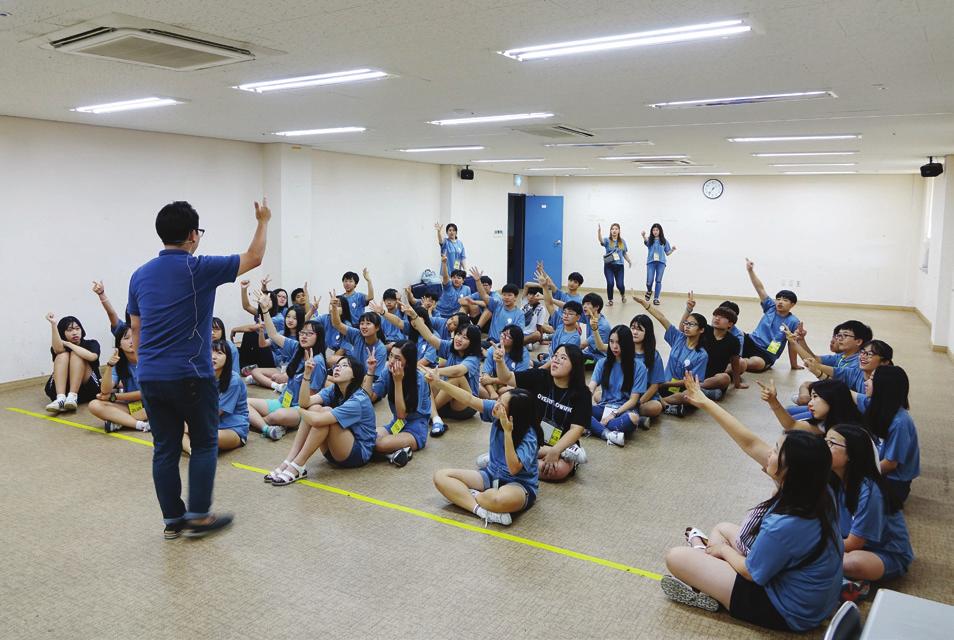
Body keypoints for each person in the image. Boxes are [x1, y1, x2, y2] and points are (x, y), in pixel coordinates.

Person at [128, 198, 269, 539]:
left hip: (150, 375)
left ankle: (173, 520)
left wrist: (149, 365)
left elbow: (136, 331)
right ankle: (199, 516)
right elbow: (254, 258)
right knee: (205, 443)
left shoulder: (140, 275)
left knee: (165, 447)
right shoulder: (199, 267)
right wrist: (263, 221)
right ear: (192, 235)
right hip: (191, 374)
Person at [661, 373, 843, 632]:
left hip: (784, 609)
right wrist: (704, 401)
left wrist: (724, 552)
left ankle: (703, 570)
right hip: (806, 595)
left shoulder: (787, 523)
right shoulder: (817, 488)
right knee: (723, 528)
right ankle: (706, 566)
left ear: (790, 469)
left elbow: (750, 572)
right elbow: (748, 441)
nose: (769, 452)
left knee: (676, 557)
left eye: (776, 451)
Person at [432, 383, 539, 527]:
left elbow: (513, 469)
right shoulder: (496, 410)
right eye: (498, 399)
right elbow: (469, 399)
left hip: (519, 484)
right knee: (441, 477)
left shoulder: (529, 437)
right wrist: (439, 382)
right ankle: (480, 511)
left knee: (498, 500)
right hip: (491, 474)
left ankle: (466, 495)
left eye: (501, 404)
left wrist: (508, 433)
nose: (496, 404)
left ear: (514, 414)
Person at [827, 424, 913, 599]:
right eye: (825, 441)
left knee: (852, 563)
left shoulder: (869, 490)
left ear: (851, 454)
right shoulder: (832, 478)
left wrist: (811, 550)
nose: (824, 447)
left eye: (832, 443)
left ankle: (849, 581)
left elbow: (854, 543)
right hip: (847, 542)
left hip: (884, 553)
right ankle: (846, 582)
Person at [265, 355, 377, 485]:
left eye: (344, 366)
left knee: (324, 413)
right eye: (337, 366)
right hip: (333, 451)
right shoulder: (334, 390)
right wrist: (307, 375)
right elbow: (304, 402)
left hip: (356, 455)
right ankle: (290, 460)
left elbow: (314, 419)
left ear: (355, 375)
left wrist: (300, 411)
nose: (337, 368)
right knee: (315, 408)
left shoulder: (359, 400)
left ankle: (298, 465)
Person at [492, 343, 591, 482]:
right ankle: (509, 463)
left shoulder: (582, 393)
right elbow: (507, 378)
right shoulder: (540, 376)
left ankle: (503, 463)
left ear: (574, 365)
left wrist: (555, 451)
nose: (556, 360)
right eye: (555, 356)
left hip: (561, 444)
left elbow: (576, 429)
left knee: (558, 470)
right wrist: (500, 361)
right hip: (532, 440)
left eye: (563, 358)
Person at [246, 313, 327, 441]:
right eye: (302, 333)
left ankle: (254, 423)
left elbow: (309, 399)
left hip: (300, 408)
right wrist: (266, 311)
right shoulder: (297, 348)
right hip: (283, 401)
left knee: (276, 416)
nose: (304, 336)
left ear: (319, 337)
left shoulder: (318, 362)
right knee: (245, 403)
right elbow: (274, 335)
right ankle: (268, 428)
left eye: (309, 333)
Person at [409, 312, 483, 436]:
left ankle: (427, 413)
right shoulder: (450, 347)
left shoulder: (473, 358)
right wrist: (414, 316)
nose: (459, 339)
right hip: (447, 399)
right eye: (459, 334)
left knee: (457, 378)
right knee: (427, 379)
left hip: (466, 404)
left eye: (465, 338)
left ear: (472, 343)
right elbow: (430, 337)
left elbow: (458, 370)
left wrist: (434, 371)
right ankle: (437, 419)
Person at [636, 295, 708, 417]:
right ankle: (667, 406)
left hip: (678, 388)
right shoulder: (678, 338)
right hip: (662, 385)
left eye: (692, 324)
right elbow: (662, 318)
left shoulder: (702, 355)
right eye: (686, 323)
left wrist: (666, 384)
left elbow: (693, 382)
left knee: (689, 395)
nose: (687, 326)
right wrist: (646, 304)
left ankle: (662, 402)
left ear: (701, 330)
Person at [858, 366, 920, 506]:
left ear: (884, 387)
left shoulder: (900, 423)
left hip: (894, 482)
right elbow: (852, 396)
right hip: (879, 470)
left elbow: (890, 464)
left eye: (872, 379)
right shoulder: (878, 406)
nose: (866, 382)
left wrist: (860, 473)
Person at [364, 341, 432, 467]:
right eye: (390, 356)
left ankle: (393, 451)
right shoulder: (387, 372)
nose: (391, 361)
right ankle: (395, 453)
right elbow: (370, 397)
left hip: (415, 429)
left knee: (380, 444)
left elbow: (402, 414)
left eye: (397, 358)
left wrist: (398, 382)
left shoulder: (419, 379)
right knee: (365, 438)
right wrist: (370, 371)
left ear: (408, 362)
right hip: (396, 424)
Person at [182, 339, 248, 455]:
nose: (213, 357)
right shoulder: (201, 375)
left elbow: (215, 413)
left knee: (206, 435)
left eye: (219, 353)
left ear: (228, 358)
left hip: (232, 428)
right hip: (206, 423)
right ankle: (192, 451)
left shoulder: (234, 380)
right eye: (210, 352)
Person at [587, 325, 648, 447]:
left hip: (624, 410)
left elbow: (633, 400)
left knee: (633, 418)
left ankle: (594, 427)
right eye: (611, 341)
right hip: (604, 407)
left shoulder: (639, 367)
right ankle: (608, 434)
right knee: (579, 410)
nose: (614, 346)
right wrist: (583, 398)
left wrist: (613, 414)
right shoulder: (602, 363)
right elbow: (591, 387)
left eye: (619, 343)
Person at [741, 258, 801, 372]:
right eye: (778, 299)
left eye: (785, 300)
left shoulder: (793, 321)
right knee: (735, 332)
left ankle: (738, 363)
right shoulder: (770, 307)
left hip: (767, 353)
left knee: (756, 363)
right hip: (751, 341)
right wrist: (750, 271)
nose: (780, 302)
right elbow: (760, 289)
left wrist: (794, 365)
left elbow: (792, 344)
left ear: (792, 304)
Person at [88, 327, 151, 433]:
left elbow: (145, 393)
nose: (131, 341)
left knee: (148, 411)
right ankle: (141, 425)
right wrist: (109, 366)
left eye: (134, 337)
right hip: (134, 406)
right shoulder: (120, 364)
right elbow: (105, 391)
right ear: (119, 345)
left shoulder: (149, 359)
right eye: (126, 338)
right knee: (94, 405)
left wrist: (114, 397)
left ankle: (120, 421)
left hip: (155, 404)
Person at [682, 294, 742, 399]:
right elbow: (683, 329)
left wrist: (737, 384)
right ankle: (700, 391)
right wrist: (688, 309)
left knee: (725, 378)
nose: (717, 318)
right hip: (696, 373)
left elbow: (735, 364)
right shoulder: (704, 330)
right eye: (715, 315)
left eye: (722, 317)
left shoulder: (734, 341)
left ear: (730, 324)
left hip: (712, 381)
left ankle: (695, 388)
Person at [760, 378, 863, 435]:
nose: (810, 403)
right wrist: (773, 401)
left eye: (815, 397)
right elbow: (792, 426)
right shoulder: (830, 421)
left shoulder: (848, 431)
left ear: (832, 399)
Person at [44, 314, 101, 413]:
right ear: (62, 333)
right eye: (69, 330)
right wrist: (53, 324)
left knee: (77, 354)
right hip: (60, 390)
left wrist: (69, 344)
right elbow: (57, 349)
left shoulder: (92, 343)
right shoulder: (60, 347)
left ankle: (72, 396)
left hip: (87, 389)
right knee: (62, 355)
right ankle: (61, 399)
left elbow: (92, 357)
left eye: (77, 328)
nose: (75, 332)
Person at [480, 324, 530, 399]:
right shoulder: (493, 349)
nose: (503, 337)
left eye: (508, 337)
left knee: (513, 391)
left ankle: (497, 401)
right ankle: (497, 400)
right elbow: (485, 375)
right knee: (477, 385)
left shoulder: (523, 353)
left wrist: (491, 380)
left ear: (516, 341)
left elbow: (519, 379)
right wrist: (492, 393)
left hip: (511, 384)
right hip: (494, 383)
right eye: (503, 333)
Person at [641, 223, 676, 306]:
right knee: (649, 282)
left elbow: (667, 253)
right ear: (651, 231)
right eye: (653, 230)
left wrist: (673, 250)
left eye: (657, 230)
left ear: (660, 231)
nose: (655, 232)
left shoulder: (664, 240)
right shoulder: (650, 239)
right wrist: (643, 235)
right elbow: (646, 241)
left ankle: (656, 298)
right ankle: (649, 291)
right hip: (651, 262)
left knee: (658, 280)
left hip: (661, 263)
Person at [598, 222, 631, 306]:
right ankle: (610, 300)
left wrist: (629, 261)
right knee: (610, 283)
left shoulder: (622, 241)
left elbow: (624, 253)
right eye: (612, 229)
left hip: (619, 266)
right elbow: (601, 241)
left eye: (616, 229)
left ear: (619, 231)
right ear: (610, 231)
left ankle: (622, 294)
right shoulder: (607, 240)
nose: (614, 230)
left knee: (620, 285)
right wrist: (599, 232)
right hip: (609, 266)